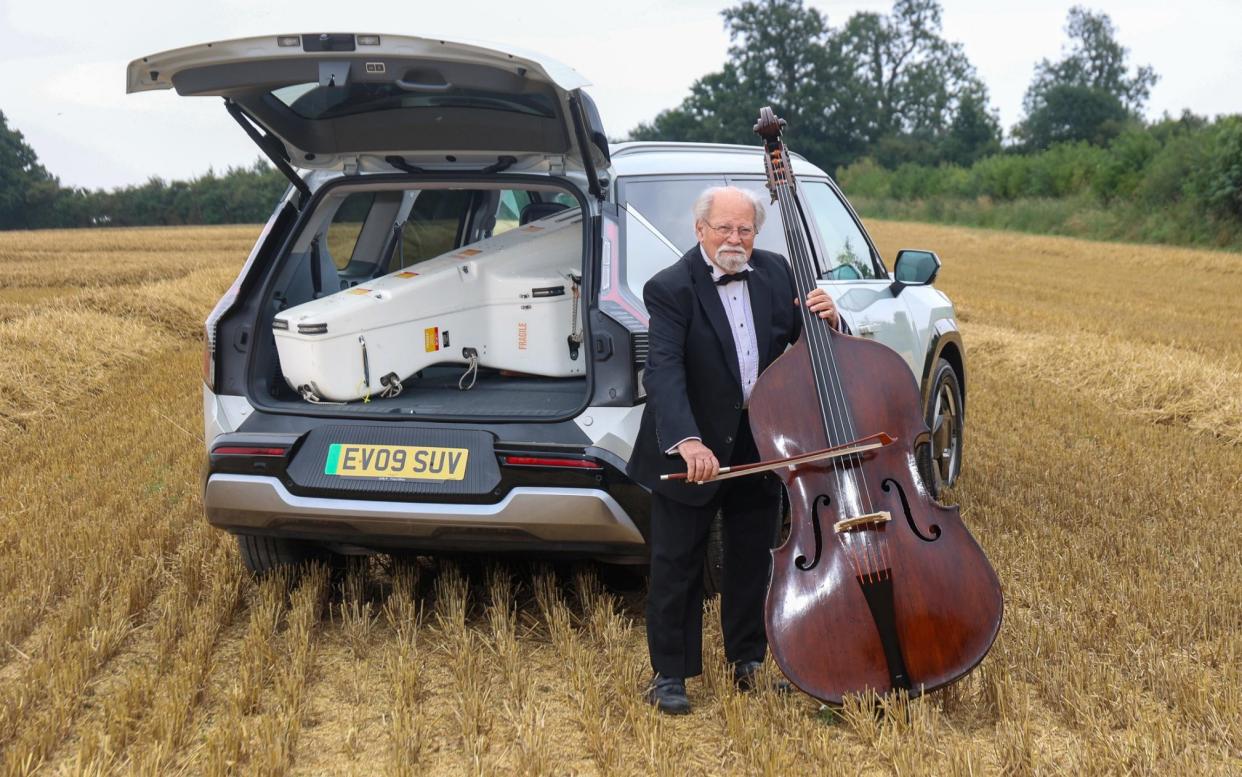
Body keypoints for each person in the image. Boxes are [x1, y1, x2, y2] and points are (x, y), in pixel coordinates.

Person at [626, 185, 843, 715]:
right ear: (699, 229)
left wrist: (828, 321)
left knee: (753, 559)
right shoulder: (670, 288)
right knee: (677, 563)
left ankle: (748, 660)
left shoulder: (775, 273)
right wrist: (688, 440)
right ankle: (669, 674)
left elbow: (803, 344)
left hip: (757, 441)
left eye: (744, 229)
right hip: (692, 446)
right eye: (723, 228)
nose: (734, 238)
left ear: (756, 232)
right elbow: (665, 371)